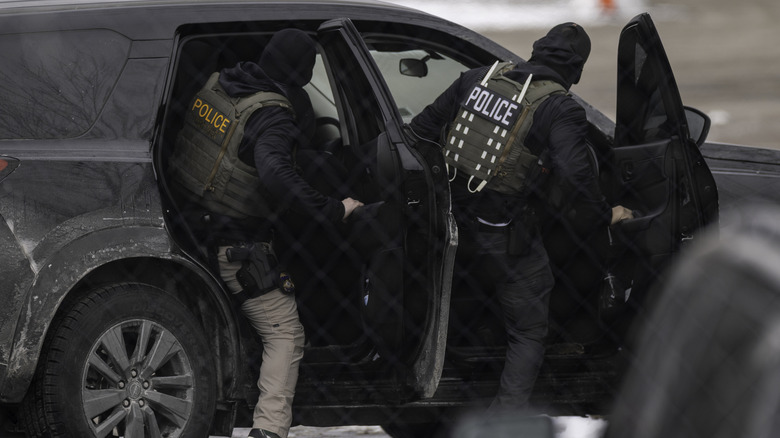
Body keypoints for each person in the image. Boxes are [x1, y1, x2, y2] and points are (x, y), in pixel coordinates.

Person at [409, 22, 633, 411]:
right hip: (500, 234)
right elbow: (578, 177)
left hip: (443, 225)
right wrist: (604, 215)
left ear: (533, 51)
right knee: (528, 331)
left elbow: (421, 131)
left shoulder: (477, 78)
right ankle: (504, 422)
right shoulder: (559, 106)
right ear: (576, 70)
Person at [168, 29, 362, 438]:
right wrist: (333, 209)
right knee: (286, 335)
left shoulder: (223, 83)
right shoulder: (274, 113)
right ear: (304, 74)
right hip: (235, 245)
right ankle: (269, 431)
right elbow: (275, 172)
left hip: (187, 226)